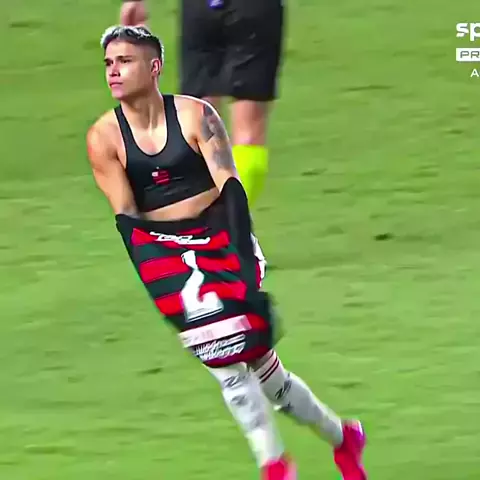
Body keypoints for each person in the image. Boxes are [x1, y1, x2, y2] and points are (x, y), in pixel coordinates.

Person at [86, 25, 367, 480]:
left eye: (124, 61)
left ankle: (332, 442)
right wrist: (162, 292)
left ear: (154, 67)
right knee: (230, 366)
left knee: (264, 373)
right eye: (108, 64)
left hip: (221, 239)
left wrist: (244, 270)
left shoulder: (196, 116)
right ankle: (288, 461)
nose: (113, 71)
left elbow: (231, 190)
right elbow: (130, 224)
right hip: (171, 258)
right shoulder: (104, 138)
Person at [119, 0, 285, 207]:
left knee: (199, 131)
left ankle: (206, 219)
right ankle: (229, 218)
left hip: (199, 8)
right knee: (247, 133)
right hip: (252, 9)